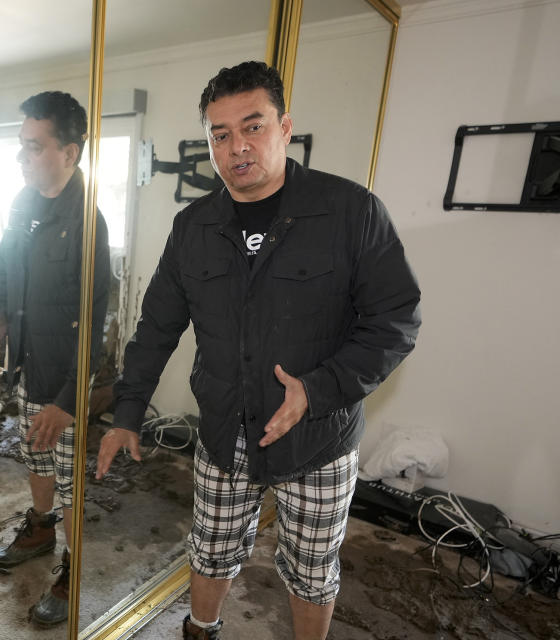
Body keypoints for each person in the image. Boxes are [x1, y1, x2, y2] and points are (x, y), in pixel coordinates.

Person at [96, 62, 421, 640]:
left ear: (285, 127)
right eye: (220, 134)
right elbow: (156, 327)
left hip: (318, 438)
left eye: (253, 127)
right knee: (211, 546)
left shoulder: (351, 212)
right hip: (225, 430)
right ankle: (201, 628)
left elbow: (396, 320)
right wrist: (127, 413)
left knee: (311, 570)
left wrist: (318, 388)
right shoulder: (193, 226)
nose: (236, 147)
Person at [0, 90, 110, 627]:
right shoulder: (22, 204)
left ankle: (72, 569)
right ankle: (40, 529)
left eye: (33, 146)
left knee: (70, 477)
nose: (22, 157)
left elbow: (96, 327)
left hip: (62, 381)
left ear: (70, 153)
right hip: (27, 365)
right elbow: (9, 270)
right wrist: (1, 316)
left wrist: (68, 401)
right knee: (37, 459)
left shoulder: (88, 223)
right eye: (20, 146)